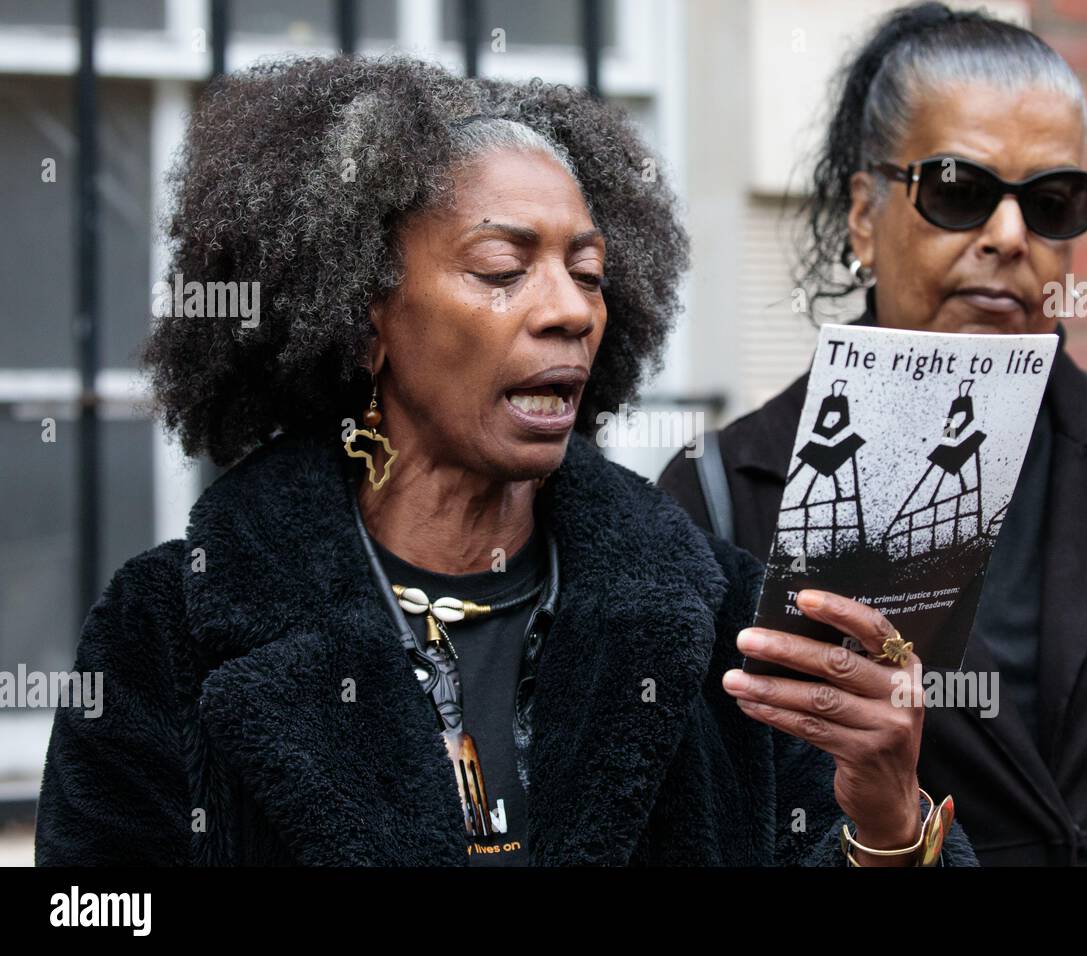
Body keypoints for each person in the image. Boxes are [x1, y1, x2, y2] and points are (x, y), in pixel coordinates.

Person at [34, 56, 976, 867]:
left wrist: (889, 822)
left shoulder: (728, 627)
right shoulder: (167, 631)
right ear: (364, 316)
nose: (569, 309)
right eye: (502, 269)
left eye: (590, 273)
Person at [659, 2, 1087, 865]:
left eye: (1053, 202)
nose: (1008, 237)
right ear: (862, 215)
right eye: (958, 191)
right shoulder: (724, 493)